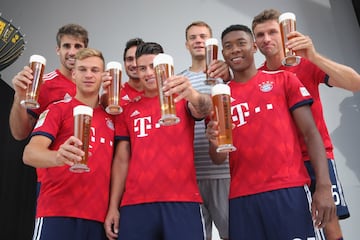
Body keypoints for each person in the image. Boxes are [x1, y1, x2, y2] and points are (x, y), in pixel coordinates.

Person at [206, 24, 336, 240]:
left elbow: (311, 134)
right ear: (223, 54)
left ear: (254, 47)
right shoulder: (220, 99)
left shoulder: (283, 80)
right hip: (242, 197)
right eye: (228, 46)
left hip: (288, 190)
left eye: (241, 43)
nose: (235, 50)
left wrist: (323, 186)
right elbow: (219, 158)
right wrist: (213, 141)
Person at [252, 9, 360, 239]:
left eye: (272, 32)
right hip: (283, 167)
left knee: (330, 225)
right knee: (301, 230)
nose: (267, 39)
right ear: (254, 42)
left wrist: (314, 56)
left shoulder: (305, 64)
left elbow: (355, 83)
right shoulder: (257, 78)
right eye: (260, 35)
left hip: (315, 158)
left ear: (283, 34)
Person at [104, 42, 212, 240]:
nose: (148, 73)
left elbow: (205, 108)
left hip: (182, 200)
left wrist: (193, 94)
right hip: (135, 203)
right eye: (142, 68)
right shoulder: (128, 110)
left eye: (153, 66)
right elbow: (121, 160)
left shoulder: (182, 99)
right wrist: (113, 207)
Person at [22, 48, 114, 240]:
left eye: (95, 70)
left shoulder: (112, 118)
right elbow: (30, 154)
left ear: (103, 75)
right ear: (73, 74)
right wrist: (57, 157)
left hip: (97, 218)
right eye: (82, 69)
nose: (89, 75)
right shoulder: (58, 109)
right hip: (56, 212)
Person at [179, 20, 230, 240]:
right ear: (186, 45)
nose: (198, 41)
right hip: (191, 175)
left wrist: (228, 73)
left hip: (224, 172)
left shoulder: (227, 76)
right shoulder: (179, 81)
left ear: (211, 42)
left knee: (234, 233)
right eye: (193, 37)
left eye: (203, 37)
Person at [9, 23, 89, 140]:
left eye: (77, 46)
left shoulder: (90, 87)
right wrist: (19, 97)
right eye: (66, 46)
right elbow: (20, 134)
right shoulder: (44, 84)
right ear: (58, 50)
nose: (72, 52)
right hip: (51, 157)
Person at [100, 37, 145, 107]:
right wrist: (103, 99)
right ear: (124, 63)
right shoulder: (114, 95)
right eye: (130, 59)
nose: (134, 64)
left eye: (138, 59)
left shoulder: (158, 93)